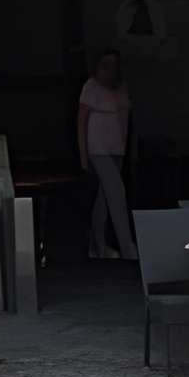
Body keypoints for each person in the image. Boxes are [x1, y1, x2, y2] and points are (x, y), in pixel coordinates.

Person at [78, 49, 137, 262]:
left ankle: (97, 245)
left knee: (105, 199)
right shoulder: (90, 87)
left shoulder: (121, 89)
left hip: (117, 149)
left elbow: (126, 120)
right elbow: (81, 122)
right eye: (105, 65)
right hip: (98, 149)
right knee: (117, 192)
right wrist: (84, 155)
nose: (110, 71)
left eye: (113, 66)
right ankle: (128, 249)